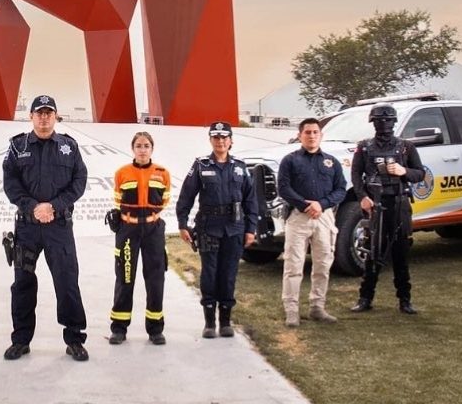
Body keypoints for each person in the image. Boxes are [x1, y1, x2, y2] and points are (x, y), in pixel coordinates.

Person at [2, 95, 90, 362]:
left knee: (67, 283)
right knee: (23, 284)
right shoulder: (18, 147)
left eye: (48, 113)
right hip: (27, 228)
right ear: (31, 117)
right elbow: (11, 184)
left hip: (59, 226)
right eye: (39, 113)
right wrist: (33, 208)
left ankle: (74, 339)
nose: (43, 117)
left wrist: (53, 206)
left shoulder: (68, 147)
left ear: (55, 116)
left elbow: (79, 181)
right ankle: (21, 340)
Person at [177, 121, 259, 338]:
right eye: (216, 137)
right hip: (208, 227)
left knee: (229, 273)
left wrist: (251, 229)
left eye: (224, 138)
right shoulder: (201, 166)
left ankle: (225, 321)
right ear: (211, 140)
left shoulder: (241, 167)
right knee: (210, 274)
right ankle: (209, 323)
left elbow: (251, 201)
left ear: (231, 141)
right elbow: (186, 196)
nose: (220, 141)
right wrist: (183, 224)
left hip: (235, 228)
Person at [350, 104, 425, 315]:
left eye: (387, 120)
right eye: (379, 121)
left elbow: (420, 174)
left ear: (394, 122)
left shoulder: (405, 147)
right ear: (373, 123)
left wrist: (403, 171)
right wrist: (362, 197)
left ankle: (405, 300)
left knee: (401, 252)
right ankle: (365, 298)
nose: (383, 124)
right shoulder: (364, 147)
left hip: (399, 204)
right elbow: (356, 176)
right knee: (373, 251)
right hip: (375, 204)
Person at [277, 118, 346, 327]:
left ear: (321, 135)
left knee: (323, 264)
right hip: (299, 217)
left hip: (324, 217)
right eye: (307, 132)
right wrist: (304, 204)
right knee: (293, 265)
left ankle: (317, 307)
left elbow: (341, 189)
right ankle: (291, 310)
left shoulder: (331, 162)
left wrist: (322, 204)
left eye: (315, 132)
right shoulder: (290, 160)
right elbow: (284, 187)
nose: (312, 135)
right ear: (300, 135)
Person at [108, 131, 171, 345]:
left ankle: (155, 329)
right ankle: (119, 328)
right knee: (125, 277)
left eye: (146, 146)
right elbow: (118, 199)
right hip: (128, 231)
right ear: (132, 149)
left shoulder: (162, 173)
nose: (142, 149)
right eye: (139, 146)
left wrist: (150, 217)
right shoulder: (122, 173)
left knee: (155, 279)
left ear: (151, 149)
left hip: (153, 230)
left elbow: (165, 199)